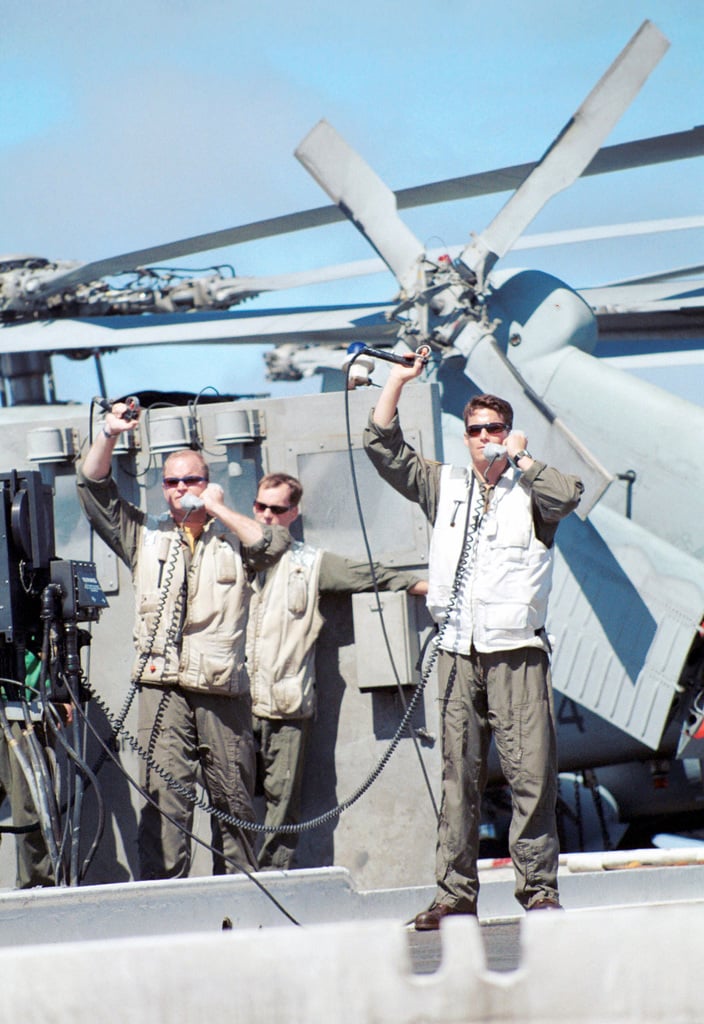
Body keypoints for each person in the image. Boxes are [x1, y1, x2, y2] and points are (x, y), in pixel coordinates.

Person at [363, 357, 583, 927]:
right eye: (476, 430)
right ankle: (453, 895)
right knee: (458, 777)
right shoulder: (446, 483)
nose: (484, 438)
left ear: (508, 434)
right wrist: (397, 381)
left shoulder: (531, 488)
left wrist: (522, 457)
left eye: (495, 429)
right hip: (459, 651)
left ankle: (538, 891)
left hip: (517, 652)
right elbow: (384, 449)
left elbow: (568, 496)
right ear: (464, 438)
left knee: (530, 776)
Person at [76, 402, 291, 880]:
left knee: (233, 798)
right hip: (161, 687)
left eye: (191, 481)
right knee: (164, 800)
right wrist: (108, 433)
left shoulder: (232, 535)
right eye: (172, 482)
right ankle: (165, 897)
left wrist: (216, 507)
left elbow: (272, 545)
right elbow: (94, 491)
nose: (180, 490)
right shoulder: (145, 535)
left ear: (207, 482)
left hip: (221, 689)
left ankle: (238, 896)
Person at [247, 472, 428, 870]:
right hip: (235, 701)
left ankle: (272, 878)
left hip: (285, 700)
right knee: (232, 799)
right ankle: (231, 880)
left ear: (294, 513)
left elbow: (370, 575)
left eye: (277, 509)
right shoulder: (231, 555)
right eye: (260, 507)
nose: (267, 517)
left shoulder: (310, 565)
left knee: (282, 803)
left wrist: (423, 586)